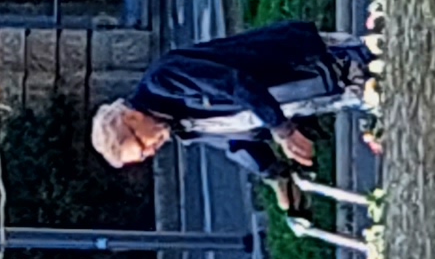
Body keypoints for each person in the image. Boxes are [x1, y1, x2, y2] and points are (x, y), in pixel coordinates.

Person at [91, 24, 375, 177]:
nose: (151, 152)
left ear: (132, 118)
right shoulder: (182, 130)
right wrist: (272, 172)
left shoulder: (163, 80)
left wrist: (283, 130)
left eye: (141, 146)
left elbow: (235, 83)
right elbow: (235, 139)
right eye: (143, 157)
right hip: (324, 95)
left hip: (312, 61)